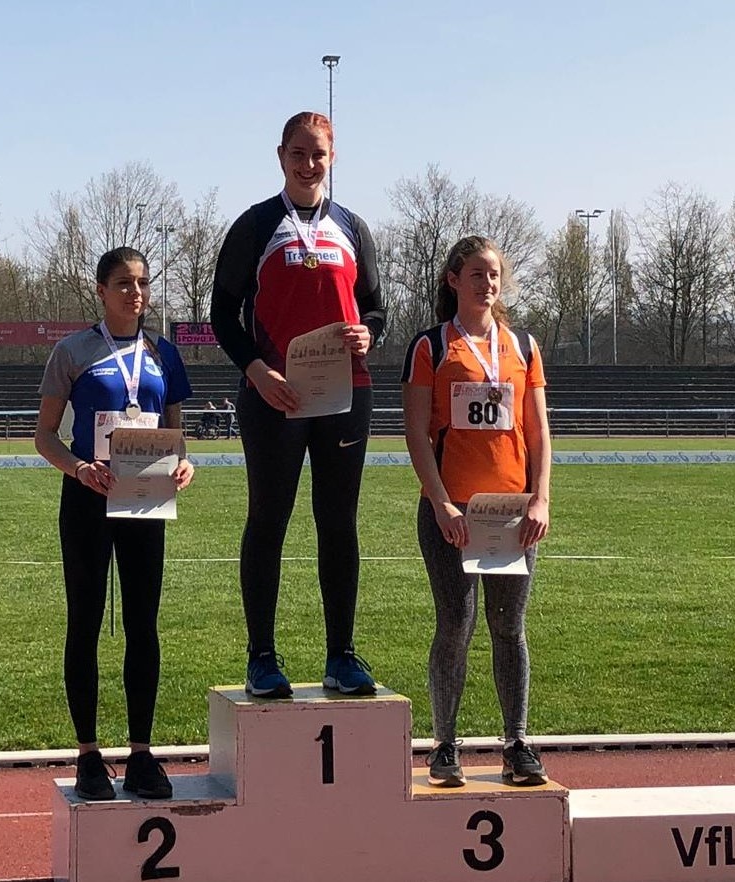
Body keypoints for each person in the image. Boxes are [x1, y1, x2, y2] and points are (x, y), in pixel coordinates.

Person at [211, 110, 385, 699]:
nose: (309, 164)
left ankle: (342, 655)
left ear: (333, 158)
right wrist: (256, 370)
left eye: (319, 154)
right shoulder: (256, 225)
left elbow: (375, 309)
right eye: (298, 153)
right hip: (274, 395)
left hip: (345, 394)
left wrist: (369, 334)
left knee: (338, 522)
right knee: (269, 520)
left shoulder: (353, 227)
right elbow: (222, 314)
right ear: (280, 156)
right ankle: (262, 657)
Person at [35, 246, 194, 801]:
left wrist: (184, 464)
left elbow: (175, 431)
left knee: (143, 625)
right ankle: (88, 755)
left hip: (145, 500)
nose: (137, 293)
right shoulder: (73, 351)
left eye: (143, 283)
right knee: (84, 623)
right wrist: (79, 468)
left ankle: (142, 754)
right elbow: (45, 436)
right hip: (88, 499)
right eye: (124, 283)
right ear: (101, 291)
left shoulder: (164, 353)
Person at [401, 235, 551, 788]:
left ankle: (517, 744)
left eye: (494, 274)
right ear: (453, 281)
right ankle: (445, 746)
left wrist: (541, 498)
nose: (487, 284)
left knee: (509, 627)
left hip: (512, 513)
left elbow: (538, 432)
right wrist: (441, 502)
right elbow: (416, 433)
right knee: (455, 625)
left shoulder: (523, 347)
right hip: (454, 513)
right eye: (476, 274)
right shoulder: (431, 346)